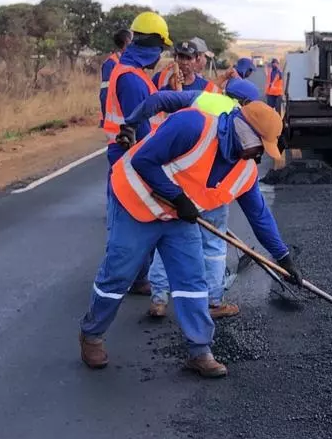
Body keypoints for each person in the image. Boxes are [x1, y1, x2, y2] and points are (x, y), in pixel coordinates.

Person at [80, 99, 301, 378]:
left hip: (176, 218)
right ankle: (92, 335)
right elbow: (142, 160)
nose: (259, 156)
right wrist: (175, 196)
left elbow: (259, 216)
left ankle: (200, 351)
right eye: (260, 147)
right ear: (245, 132)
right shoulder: (193, 126)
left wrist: (283, 257)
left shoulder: (243, 169)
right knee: (119, 274)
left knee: (192, 280)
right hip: (133, 203)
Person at [119, 78, 264, 319]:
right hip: (211, 188)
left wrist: (131, 124)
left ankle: (159, 299)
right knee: (213, 244)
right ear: (248, 103)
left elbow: (158, 100)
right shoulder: (245, 122)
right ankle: (214, 301)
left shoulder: (206, 99)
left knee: (166, 238)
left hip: (175, 180)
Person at [100, 11, 172, 296]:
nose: (160, 57)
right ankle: (117, 280)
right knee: (130, 224)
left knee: (143, 219)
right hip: (131, 157)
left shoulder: (135, 73)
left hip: (134, 156)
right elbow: (138, 125)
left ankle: (139, 277)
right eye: (160, 50)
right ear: (152, 47)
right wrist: (158, 161)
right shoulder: (130, 78)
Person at [98, 28, 132, 127]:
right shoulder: (110, 64)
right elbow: (105, 93)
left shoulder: (130, 63)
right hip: (117, 121)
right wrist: (105, 118)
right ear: (127, 42)